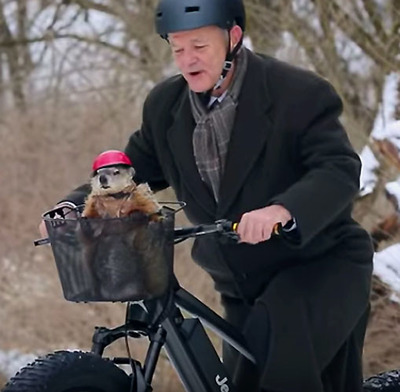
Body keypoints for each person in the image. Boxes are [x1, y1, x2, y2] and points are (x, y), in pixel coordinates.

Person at [40, 0, 373, 390]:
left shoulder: (297, 94)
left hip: (318, 267)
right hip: (240, 283)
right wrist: (74, 206)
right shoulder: (166, 106)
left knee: (280, 375)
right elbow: (129, 173)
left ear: (233, 37)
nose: (187, 60)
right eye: (178, 48)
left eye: (199, 46)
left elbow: (337, 168)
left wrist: (282, 210)